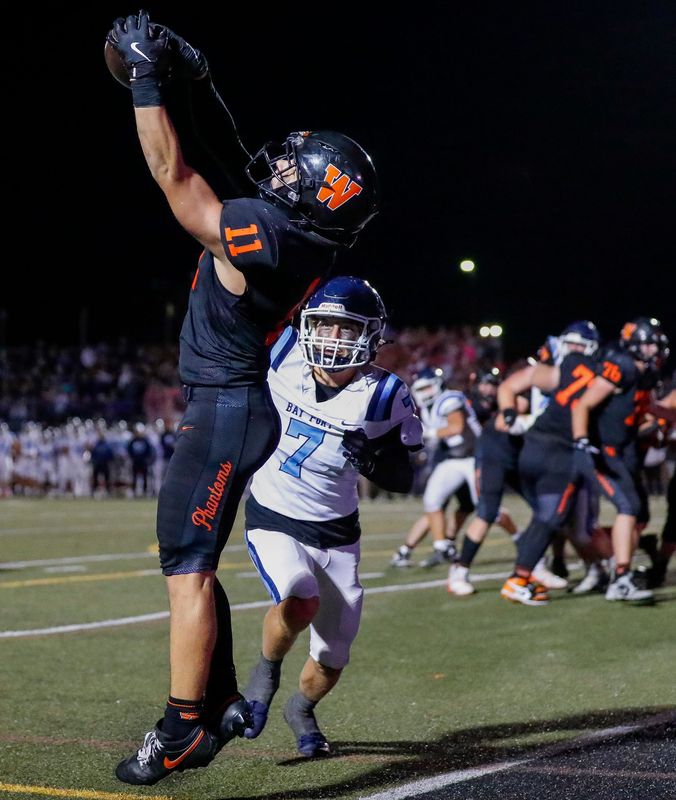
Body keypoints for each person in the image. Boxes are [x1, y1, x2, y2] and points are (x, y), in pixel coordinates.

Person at [106, 12, 379, 786]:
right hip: (231, 405)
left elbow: (176, 178)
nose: (280, 170)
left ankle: (181, 729)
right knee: (193, 564)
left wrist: (147, 82)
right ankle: (222, 697)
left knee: (186, 569)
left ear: (318, 196)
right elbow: (229, 150)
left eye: (298, 171)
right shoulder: (297, 229)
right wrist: (196, 78)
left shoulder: (274, 233)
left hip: (224, 410)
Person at [241, 276, 422, 757]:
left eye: (346, 328)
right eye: (323, 324)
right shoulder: (283, 354)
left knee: (332, 654)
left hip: (338, 534)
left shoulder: (384, 394)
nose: (332, 337)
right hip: (274, 514)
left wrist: (373, 462)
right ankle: (266, 673)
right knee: (299, 596)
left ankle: (301, 708)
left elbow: (403, 476)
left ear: (370, 335)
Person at [497, 320, 602, 606]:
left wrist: (509, 413)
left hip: (532, 446)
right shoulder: (599, 373)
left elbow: (509, 385)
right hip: (560, 453)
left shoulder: (558, 369)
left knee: (545, 518)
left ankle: (525, 575)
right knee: (551, 519)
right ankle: (519, 580)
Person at [572, 317, 670, 601]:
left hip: (621, 451)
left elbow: (648, 410)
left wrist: (663, 420)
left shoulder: (645, 373)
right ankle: (619, 577)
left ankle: (619, 570)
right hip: (601, 450)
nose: (654, 350)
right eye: (649, 344)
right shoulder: (622, 366)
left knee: (636, 510)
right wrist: (582, 440)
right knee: (627, 507)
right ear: (634, 344)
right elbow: (583, 404)